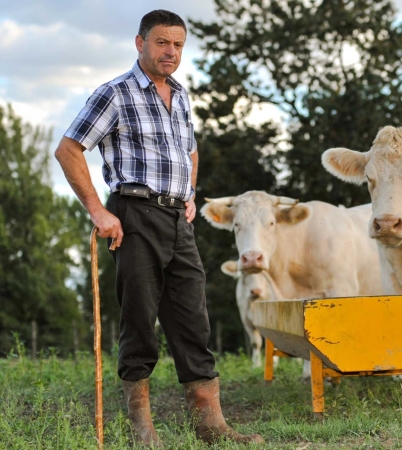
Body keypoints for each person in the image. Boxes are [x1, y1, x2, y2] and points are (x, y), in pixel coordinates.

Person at [54, 9, 263, 447]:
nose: (171, 52)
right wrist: (98, 211)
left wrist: (189, 194)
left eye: (178, 45)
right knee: (139, 318)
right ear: (140, 43)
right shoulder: (115, 93)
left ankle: (211, 426)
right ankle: (142, 431)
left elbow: (190, 150)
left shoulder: (182, 96)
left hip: (176, 219)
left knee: (193, 316)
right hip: (133, 216)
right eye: (162, 42)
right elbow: (69, 149)